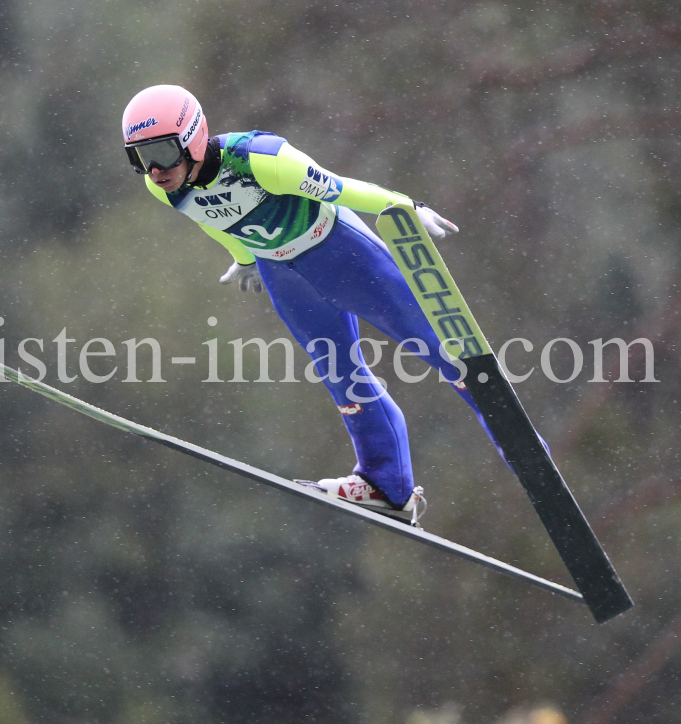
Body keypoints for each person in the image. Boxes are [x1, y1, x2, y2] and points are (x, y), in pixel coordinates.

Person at [122, 84, 504, 518]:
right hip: (283, 274)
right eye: (140, 158)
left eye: (161, 153)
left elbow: (341, 189)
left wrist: (403, 206)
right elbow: (209, 218)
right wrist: (244, 258)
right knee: (340, 373)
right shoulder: (166, 187)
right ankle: (386, 485)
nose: (154, 170)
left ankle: (522, 447)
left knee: (434, 346)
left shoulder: (263, 160)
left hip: (341, 253)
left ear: (192, 136)